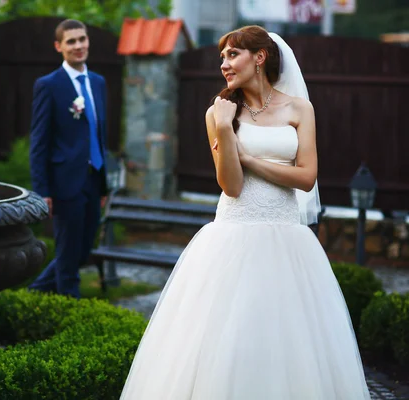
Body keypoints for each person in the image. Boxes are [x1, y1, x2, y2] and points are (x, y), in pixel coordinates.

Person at [120, 25, 370, 399]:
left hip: (287, 236)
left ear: (259, 57)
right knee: (228, 336)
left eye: (232, 54)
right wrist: (223, 126)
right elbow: (232, 186)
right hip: (233, 234)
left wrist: (249, 157)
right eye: (221, 57)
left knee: (289, 336)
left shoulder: (300, 109)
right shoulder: (219, 113)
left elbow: (305, 178)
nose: (224, 63)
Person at [28, 19, 108, 299]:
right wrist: (43, 192)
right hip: (65, 184)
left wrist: (104, 186)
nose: (78, 46)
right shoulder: (49, 85)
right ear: (58, 46)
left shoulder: (98, 83)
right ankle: (68, 313)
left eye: (82, 39)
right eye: (71, 41)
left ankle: (33, 293)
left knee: (82, 250)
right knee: (68, 254)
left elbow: (99, 134)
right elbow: (39, 143)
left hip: (93, 180)